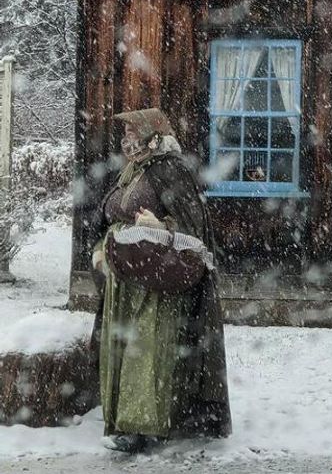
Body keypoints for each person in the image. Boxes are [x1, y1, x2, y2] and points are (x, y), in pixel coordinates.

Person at [91, 108, 230, 453]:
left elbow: (194, 230)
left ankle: (145, 427)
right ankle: (125, 419)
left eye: (133, 136)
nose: (128, 142)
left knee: (148, 350)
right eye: (125, 137)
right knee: (125, 347)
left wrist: (161, 226)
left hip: (158, 281)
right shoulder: (134, 170)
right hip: (127, 275)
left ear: (153, 139)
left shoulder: (172, 170)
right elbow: (110, 210)